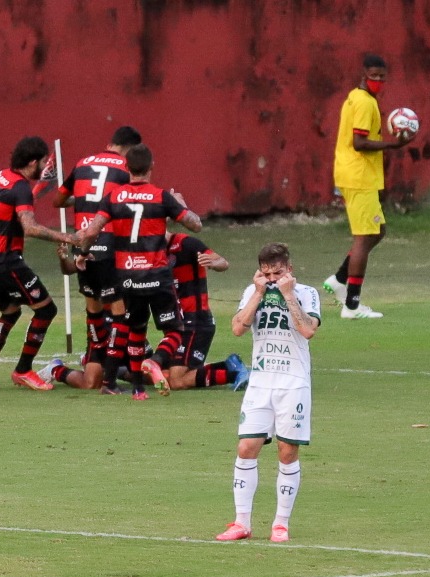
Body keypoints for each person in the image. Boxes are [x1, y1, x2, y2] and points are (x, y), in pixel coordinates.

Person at [77, 143, 202, 400]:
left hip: (127, 278)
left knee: (135, 330)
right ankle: (155, 360)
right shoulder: (161, 196)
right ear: (151, 166)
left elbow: (91, 231)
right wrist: (182, 205)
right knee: (176, 331)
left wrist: (82, 252)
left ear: (127, 167)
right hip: (156, 276)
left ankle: (136, 389)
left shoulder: (113, 197)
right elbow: (195, 225)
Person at [216, 242, 320, 543]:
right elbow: (237, 328)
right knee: (247, 448)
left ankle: (280, 524)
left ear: (290, 269)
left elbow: (308, 330)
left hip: (293, 382)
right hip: (261, 382)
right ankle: (241, 523)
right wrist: (260, 293)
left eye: (278, 272)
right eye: (267, 273)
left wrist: (287, 295)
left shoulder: (307, 293)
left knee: (287, 452)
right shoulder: (253, 292)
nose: (273, 278)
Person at [0, 136, 80, 392]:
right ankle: (23, 370)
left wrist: (38, 190)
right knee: (46, 310)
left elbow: (14, 203)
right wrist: (66, 236)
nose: (45, 167)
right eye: (43, 162)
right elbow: (29, 228)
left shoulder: (3, 177)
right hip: (6, 261)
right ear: (32, 162)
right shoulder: (20, 188)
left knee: (10, 313)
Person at [47, 126, 142, 395]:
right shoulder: (127, 168)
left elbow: (57, 200)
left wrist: (86, 201)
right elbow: (134, 204)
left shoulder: (82, 164)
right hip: (111, 247)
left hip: (84, 247)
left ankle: (87, 368)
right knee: (120, 314)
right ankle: (111, 382)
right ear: (131, 149)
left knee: (94, 310)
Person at [323, 53, 414, 319]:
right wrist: (393, 144)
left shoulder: (359, 98)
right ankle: (351, 305)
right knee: (365, 237)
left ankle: (340, 280)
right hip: (358, 177)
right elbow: (359, 143)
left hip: (358, 175)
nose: (377, 80)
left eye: (382, 77)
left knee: (377, 231)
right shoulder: (363, 103)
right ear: (363, 74)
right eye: (373, 76)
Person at [164, 231, 249, 391]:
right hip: (175, 323)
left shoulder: (186, 243)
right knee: (165, 374)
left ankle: (234, 373)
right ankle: (230, 365)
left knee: (176, 381)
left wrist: (212, 263)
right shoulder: (151, 249)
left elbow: (222, 262)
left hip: (196, 321)